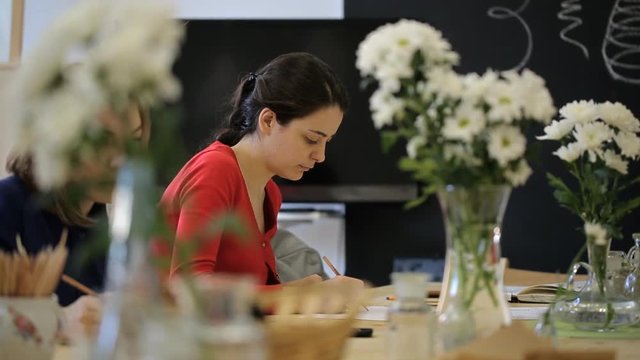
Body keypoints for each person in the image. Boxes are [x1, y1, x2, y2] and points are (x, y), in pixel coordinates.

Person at [161, 52, 362, 289]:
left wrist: (306, 293)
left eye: (327, 141)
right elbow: (188, 288)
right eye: (311, 139)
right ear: (267, 120)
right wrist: (298, 295)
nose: (320, 156)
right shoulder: (215, 170)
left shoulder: (269, 193)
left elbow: (259, 296)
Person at [0, 104, 148, 333]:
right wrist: (59, 321)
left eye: (135, 140)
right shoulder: (7, 204)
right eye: (103, 142)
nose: (122, 160)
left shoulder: (97, 213)